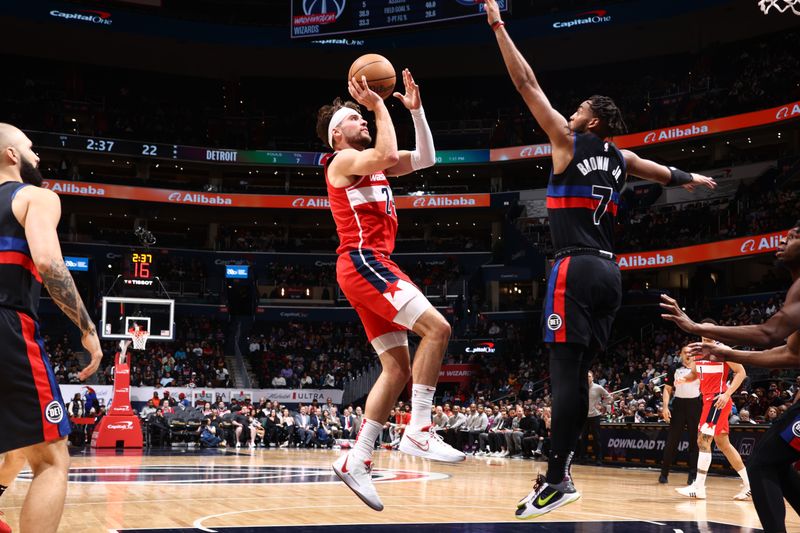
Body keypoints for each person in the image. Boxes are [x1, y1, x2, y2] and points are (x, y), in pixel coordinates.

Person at [481, 0, 717, 520]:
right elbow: (658, 171)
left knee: (563, 380)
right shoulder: (621, 157)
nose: (570, 110)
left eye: (580, 106)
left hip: (574, 266)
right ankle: (560, 474)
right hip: (610, 273)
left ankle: (557, 477)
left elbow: (526, 84)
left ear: (592, 119)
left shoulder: (567, 140)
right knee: (578, 378)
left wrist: (498, 24)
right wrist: (690, 177)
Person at [317, 69, 464, 511]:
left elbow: (426, 157)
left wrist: (415, 112)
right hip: (363, 262)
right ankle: (419, 427)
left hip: (370, 265)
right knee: (438, 330)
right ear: (336, 135)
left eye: (362, 116)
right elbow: (383, 150)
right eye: (353, 118)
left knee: (396, 369)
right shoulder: (343, 162)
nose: (361, 120)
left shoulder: (374, 162)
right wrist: (379, 105)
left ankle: (356, 459)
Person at [0, 123, 103, 533]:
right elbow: (48, 263)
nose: (37, 156)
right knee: (51, 458)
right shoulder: (36, 197)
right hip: (7, 321)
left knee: (17, 448)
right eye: (30, 148)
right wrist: (87, 329)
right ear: (12, 155)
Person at [667, 222, 800, 533]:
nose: (785, 238)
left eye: (795, 236)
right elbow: (790, 355)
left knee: (763, 464)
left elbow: (769, 333)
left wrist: (700, 329)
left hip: (718, 400)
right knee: (771, 463)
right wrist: (729, 353)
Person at [668, 322, 751, 501]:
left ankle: (698, 487)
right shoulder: (698, 353)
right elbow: (695, 375)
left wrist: (727, 394)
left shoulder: (723, 350)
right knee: (723, 444)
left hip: (717, 400)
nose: (707, 334)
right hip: (706, 400)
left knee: (702, 440)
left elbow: (741, 372)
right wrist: (683, 380)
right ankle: (749, 484)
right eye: (704, 331)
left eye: (710, 331)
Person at [659, 347, 702, 485]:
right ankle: (664, 474)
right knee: (672, 441)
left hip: (695, 406)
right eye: (685, 352)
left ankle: (693, 476)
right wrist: (665, 407)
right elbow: (667, 389)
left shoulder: (699, 367)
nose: (688, 354)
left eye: (691, 352)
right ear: (681, 355)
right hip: (678, 405)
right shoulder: (674, 368)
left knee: (694, 442)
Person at [578, 371, 610, 465]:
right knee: (584, 438)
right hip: (584, 416)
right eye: (586, 376)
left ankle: (598, 459)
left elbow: (608, 396)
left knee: (597, 438)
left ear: (592, 377)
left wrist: (602, 405)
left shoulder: (598, 387)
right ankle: (582, 458)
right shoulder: (582, 387)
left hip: (595, 416)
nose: (587, 378)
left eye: (589, 376)